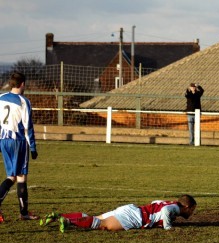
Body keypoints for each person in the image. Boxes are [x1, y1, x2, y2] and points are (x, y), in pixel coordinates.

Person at [40, 194, 197, 233]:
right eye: (192, 210)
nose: (191, 213)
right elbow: (165, 211)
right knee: (103, 225)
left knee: (96, 217)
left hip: (131, 209)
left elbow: (156, 203)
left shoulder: (169, 202)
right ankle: (67, 222)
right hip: (135, 217)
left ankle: (60, 216)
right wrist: (168, 227)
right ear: (187, 206)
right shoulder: (174, 208)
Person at [0, 72, 39, 223]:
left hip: (3, 140)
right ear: (22, 84)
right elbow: (28, 127)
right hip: (18, 141)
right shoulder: (24, 101)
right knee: (21, 176)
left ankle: (24, 212)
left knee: (11, 176)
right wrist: (33, 148)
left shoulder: (1, 98)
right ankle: (24, 213)